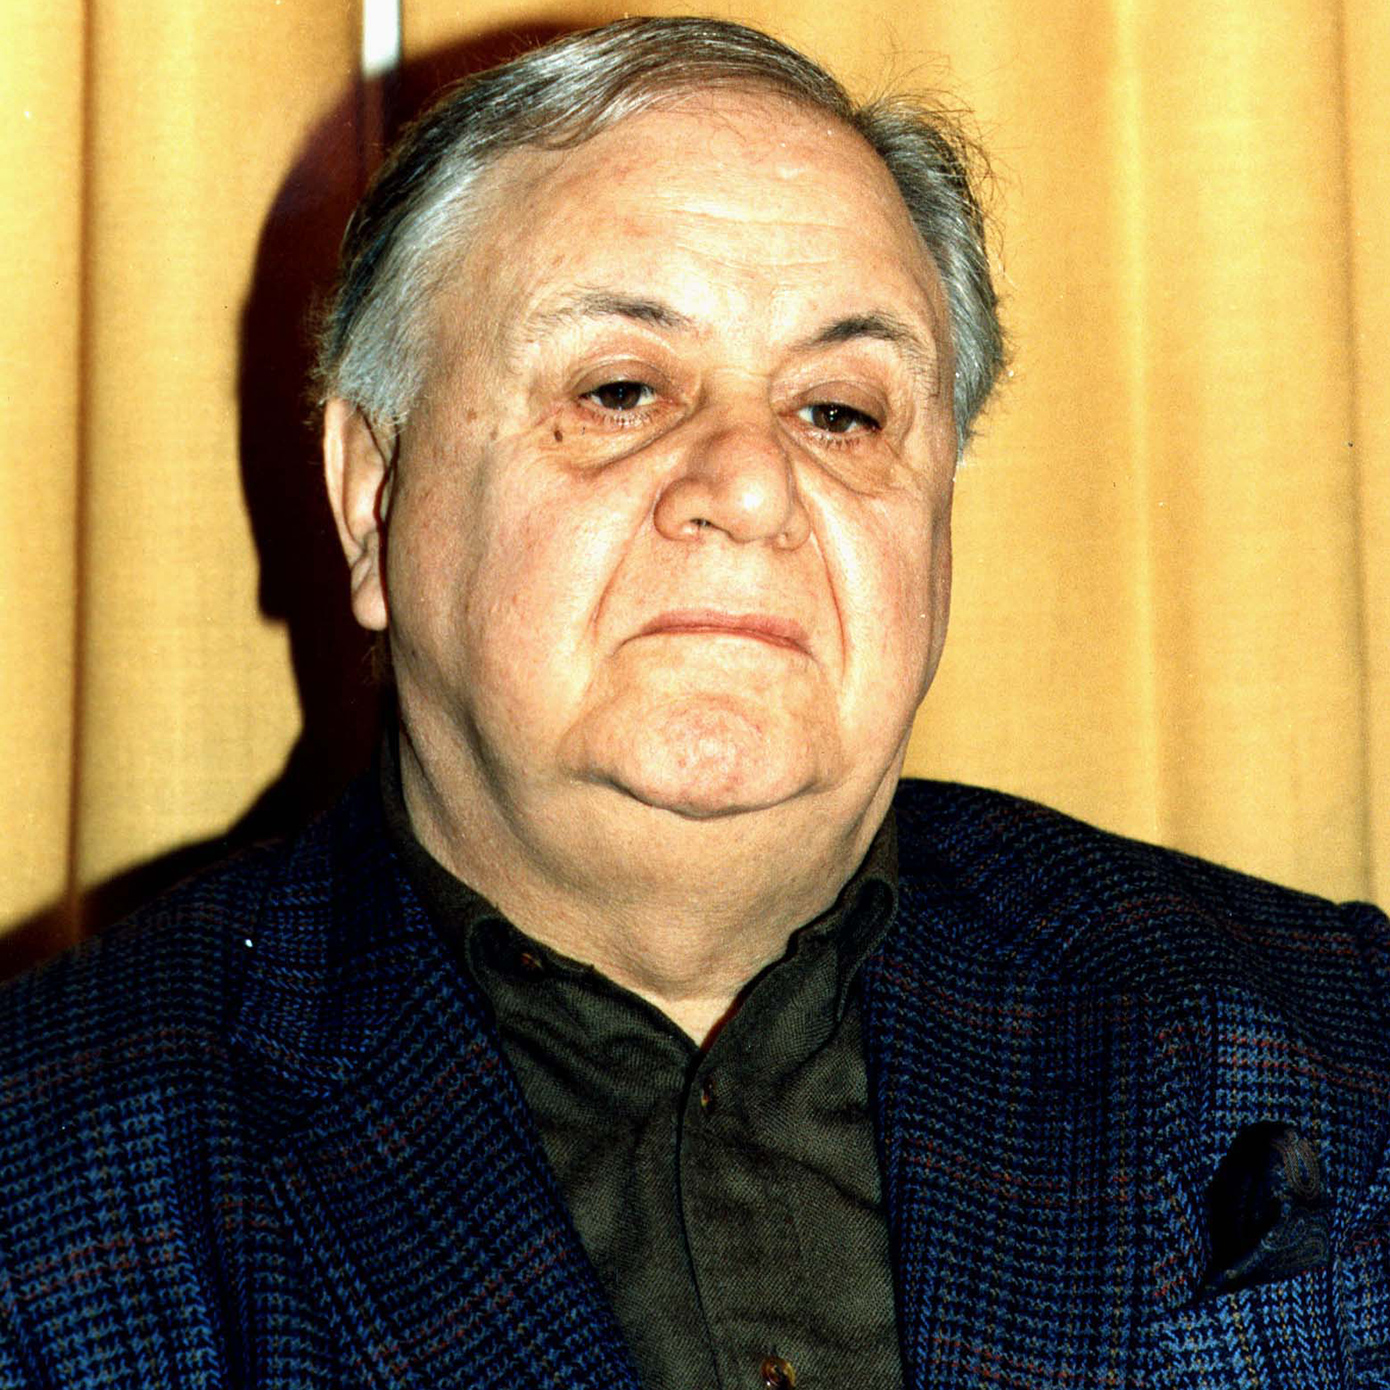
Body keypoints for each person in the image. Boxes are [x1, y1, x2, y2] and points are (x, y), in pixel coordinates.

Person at [0, 17, 1385, 1389]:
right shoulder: (46, 1183)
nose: (754, 484)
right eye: (622, 390)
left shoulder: (1330, 1037)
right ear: (373, 497)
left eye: (839, 412)